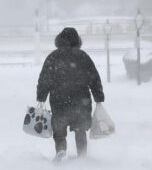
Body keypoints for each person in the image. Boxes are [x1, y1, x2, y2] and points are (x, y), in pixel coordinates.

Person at [36, 27, 105, 161]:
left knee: (59, 130)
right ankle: (82, 155)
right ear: (77, 40)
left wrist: (41, 96)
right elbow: (94, 78)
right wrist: (99, 97)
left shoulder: (53, 57)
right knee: (80, 130)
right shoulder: (82, 56)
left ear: (59, 40)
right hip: (81, 101)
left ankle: (61, 151)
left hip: (59, 100)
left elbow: (45, 78)